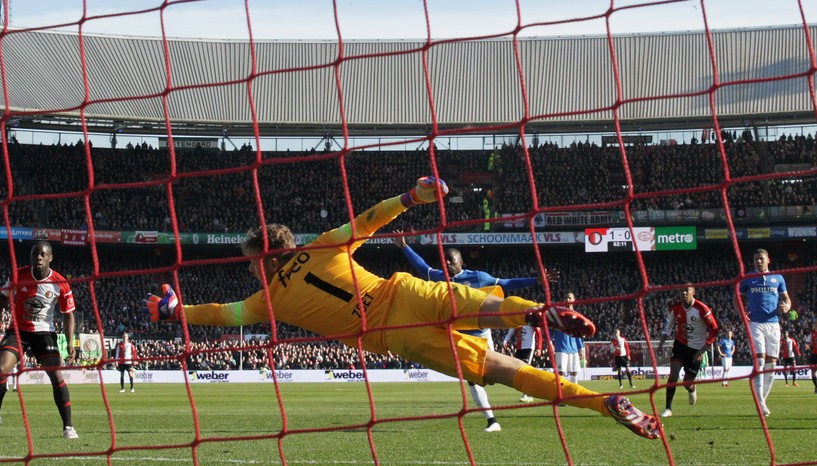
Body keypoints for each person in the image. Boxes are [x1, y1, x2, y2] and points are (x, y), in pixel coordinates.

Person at [144, 177, 661, 439]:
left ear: (260, 255)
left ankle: (599, 403)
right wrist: (413, 197)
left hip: (399, 336)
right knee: (484, 304)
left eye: (250, 260)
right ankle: (537, 313)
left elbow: (218, 313)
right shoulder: (322, 245)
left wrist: (175, 313)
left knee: (507, 372)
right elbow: (368, 219)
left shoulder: (264, 299)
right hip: (406, 292)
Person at [392, 240, 558, 432]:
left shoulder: (478, 277)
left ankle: (534, 385)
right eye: (444, 260)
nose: (446, 263)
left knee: (498, 372)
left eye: (451, 260)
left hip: (482, 334)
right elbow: (422, 267)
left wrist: (535, 280)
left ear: (461, 262)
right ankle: (492, 421)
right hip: (462, 338)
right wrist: (404, 247)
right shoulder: (439, 278)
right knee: (473, 379)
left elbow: (506, 283)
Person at [0, 241, 79, 439]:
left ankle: (68, 427)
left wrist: (70, 342)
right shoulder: (18, 275)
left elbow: (68, 314)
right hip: (18, 331)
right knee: (0, 370)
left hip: (44, 333)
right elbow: (2, 298)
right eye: (35, 254)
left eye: (43, 255)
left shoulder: (60, 283)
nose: (38, 258)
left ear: (50, 258)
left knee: (56, 375)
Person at [737, 248, 791, 416]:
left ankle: (761, 401)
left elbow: (786, 299)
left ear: (768, 260)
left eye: (761, 259)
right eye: (755, 259)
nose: (758, 261)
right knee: (759, 362)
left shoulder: (778, 278)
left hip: (774, 324)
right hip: (756, 324)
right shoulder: (747, 279)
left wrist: (787, 306)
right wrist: (741, 312)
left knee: (771, 364)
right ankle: (761, 403)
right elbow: (736, 297)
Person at [658, 285, 719, 418]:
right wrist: (661, 344)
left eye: (686, 290)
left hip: (696, 349)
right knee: (673, 375)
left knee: (687, 382)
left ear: (693, 292)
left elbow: (714, 330)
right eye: (681, 291)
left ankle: (692, 389)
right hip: (680, 345)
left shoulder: (702, 309)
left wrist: (704, 349)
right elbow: (668, 327)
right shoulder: (675, 308)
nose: (683, 293)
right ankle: (668, 408)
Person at [502, 323, 542, 402]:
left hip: (529, 348)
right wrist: (505, 341)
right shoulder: (517, 321)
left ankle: (528, 394)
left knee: (526, 370)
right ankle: (527, 392)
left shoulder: (532, 321)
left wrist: (539, 348)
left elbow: (539, 334)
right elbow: (510, 332)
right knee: (519, 371)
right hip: (519, 349)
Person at [808, 324, 817, 395]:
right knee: (813, 373)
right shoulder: (812, 333)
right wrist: (807, 345)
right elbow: (808, 341)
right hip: (814, 355)